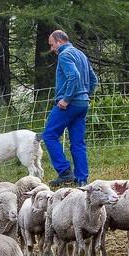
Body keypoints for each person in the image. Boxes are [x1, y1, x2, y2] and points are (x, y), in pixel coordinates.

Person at [43, 28, 98, 187]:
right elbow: (93, 79)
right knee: (78, 142)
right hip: (82, 104)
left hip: (69, 104)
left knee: (49, 135)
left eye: (52, 45)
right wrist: (86, 95)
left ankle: (65, 172)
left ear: (59, 42)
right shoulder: (81, 54)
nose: (52, 48)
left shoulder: (65, 55)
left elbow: (73, 76)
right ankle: (81, 179)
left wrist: (66, 99)